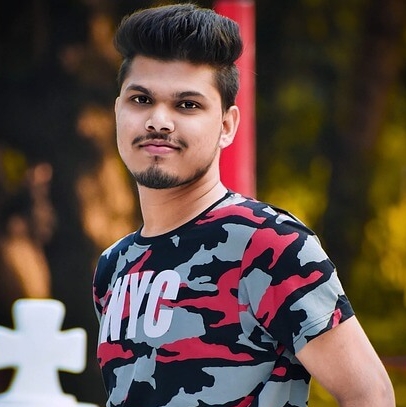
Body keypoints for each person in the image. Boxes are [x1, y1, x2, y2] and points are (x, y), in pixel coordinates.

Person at [92, 3, 395, 407]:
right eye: (141, 99)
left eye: (187, 104)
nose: (158, 121)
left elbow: (370, 394)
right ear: (118, 111)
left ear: (227, 125)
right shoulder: (114, 265)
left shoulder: (270, 244)